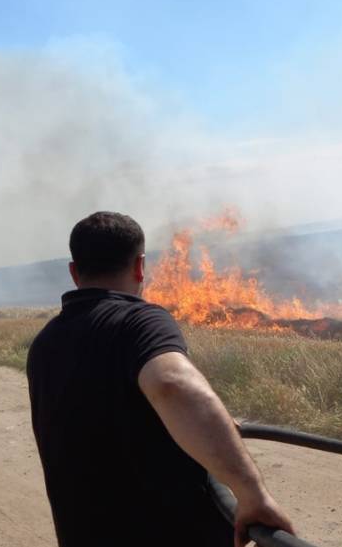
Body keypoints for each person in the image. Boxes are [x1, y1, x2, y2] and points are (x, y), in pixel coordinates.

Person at [27, 212, 294, 547]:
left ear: (73, 271)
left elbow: (109, 417)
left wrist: (213, 425)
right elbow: (171, 384)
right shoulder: (139, 320)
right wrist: (252, 494)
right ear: (140, 266)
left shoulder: (44, 344)